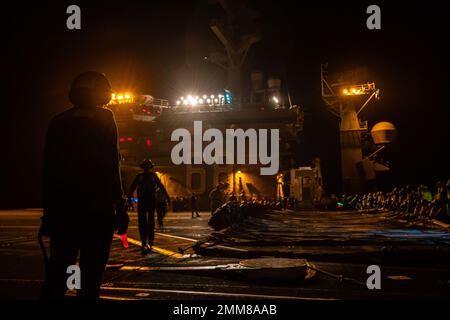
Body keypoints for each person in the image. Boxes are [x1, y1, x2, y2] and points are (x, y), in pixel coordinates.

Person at [39, 71, 129, 300]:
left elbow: (49, 171)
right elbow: (111, 165)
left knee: (58, 273)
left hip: (63, 212)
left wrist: (48, 214)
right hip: (97, 212)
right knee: (90, 278)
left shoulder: (58, 122)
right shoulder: (105, 118)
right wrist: (120, 206)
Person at [128, 159, 170, 254]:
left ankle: (146, 242)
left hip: (145, 202)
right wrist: (167, 197)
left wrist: (130, 199)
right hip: (149, 202)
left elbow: (131, 189)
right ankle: (148, 242)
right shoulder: (152, 176)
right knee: (149, 223)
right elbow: (161, 187)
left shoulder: (140, 177)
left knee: (144, 223)